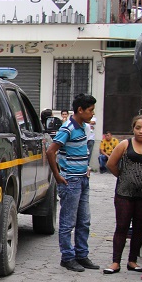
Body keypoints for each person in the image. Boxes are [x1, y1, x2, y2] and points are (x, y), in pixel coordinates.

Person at [102, 116, 142, 274]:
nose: (141, 131)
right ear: (133, 128)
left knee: (139, 228)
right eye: (138, 128)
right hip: (124, 193)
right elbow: (111, 164)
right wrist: (123, 178)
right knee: (121, 226)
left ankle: (133, 261)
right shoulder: (125, 144)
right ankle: (116, 262)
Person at [46, 94, 99, 272]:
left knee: (84, 220)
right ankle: (67, 257)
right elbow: (50, 151)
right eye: (90, 110)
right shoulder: (67, 128)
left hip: (83, 179)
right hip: (71, 182)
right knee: (68, 222)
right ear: (80, 110)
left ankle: (81, 255)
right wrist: (57, 175)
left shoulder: (83, 126)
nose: (92, 113)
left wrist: (86, 168)